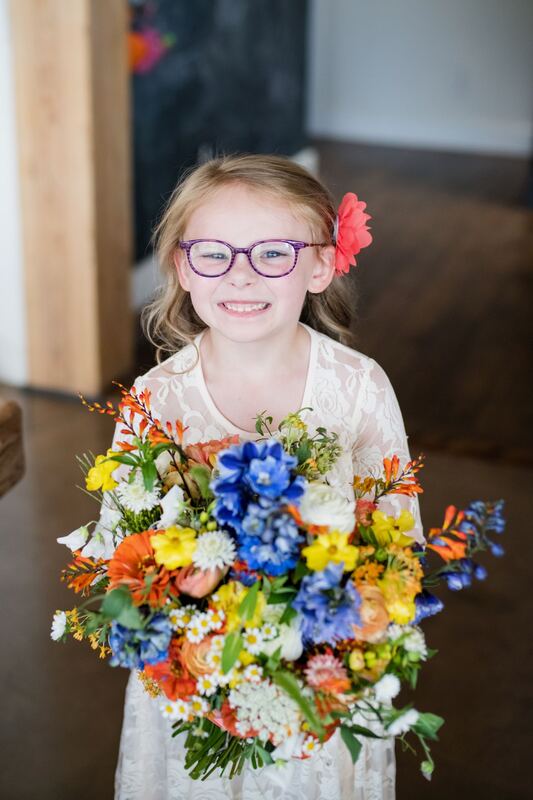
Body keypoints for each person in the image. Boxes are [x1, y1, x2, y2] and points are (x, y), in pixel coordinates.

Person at [101, 153, 425, 799]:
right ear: (181, 267)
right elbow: (121, 544)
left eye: (273, 253)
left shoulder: (357, 387)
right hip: (197, 679)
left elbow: (398, 543)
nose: (241, 275)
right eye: (213, 253)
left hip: (318, 676)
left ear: (320, 266)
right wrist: (196, 622)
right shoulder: (157, 397)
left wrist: (325, 632)